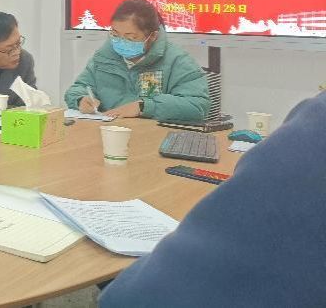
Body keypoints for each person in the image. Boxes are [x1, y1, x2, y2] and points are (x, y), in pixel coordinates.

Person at [100, 91, 326, 307]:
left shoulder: (314, 134)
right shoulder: (103, 63)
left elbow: (196, 106)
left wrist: (144, 106)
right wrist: (83, 98)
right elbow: (81, 89)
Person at [64, 0, 208, 122]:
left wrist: (144, 107)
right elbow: (78, 88)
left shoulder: (177, 60)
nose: (121, 42)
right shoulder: (104, 57)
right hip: (108, 132)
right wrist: (80, 99)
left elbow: (197, 106)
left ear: (152, 36)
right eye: (115, 34)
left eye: (131, 38)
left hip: (153, 137)